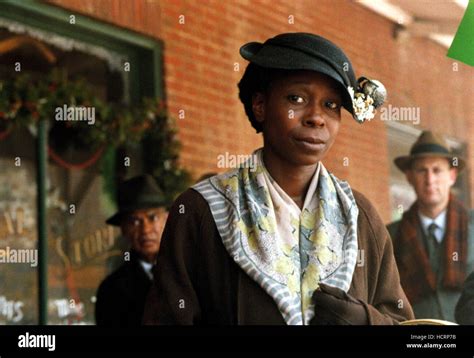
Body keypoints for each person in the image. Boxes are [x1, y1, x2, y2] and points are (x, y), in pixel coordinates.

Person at [144, 32, 414, 325]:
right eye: (296, 98)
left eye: (331, 105)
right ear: (260, 105)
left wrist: (365, 321)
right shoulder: (201, 211)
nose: (316, 117)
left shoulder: (359, 216)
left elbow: (403, 323)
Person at [387, 131, 474, 322]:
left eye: (437, 170)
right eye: (421, 170)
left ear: (452, 176)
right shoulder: (389, 236)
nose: (430, 179)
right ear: (409, 177)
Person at [95, 175, 168, 325]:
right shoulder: (111, 291)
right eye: (135, 221)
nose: (146, 230)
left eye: (152, 217)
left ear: (166, 220)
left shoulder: (192, 274)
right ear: (123, 229)